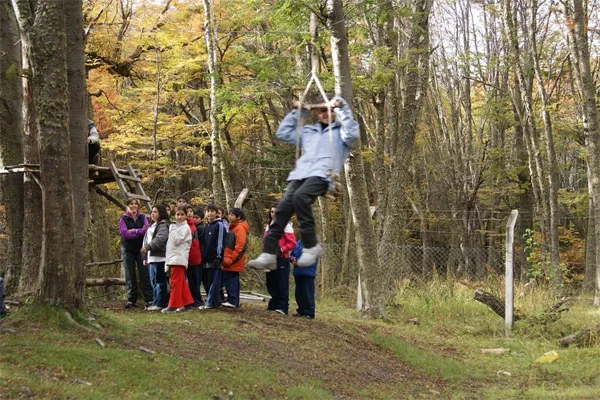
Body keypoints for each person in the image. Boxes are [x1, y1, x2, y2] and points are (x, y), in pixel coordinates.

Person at [247, 94, 359, 270]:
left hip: (323, 174)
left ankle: (310, 246)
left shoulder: (341, 132)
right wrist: (298, 113)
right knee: (283, 208)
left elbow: (353, 134)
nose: (325, 114)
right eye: (322, 110)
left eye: (329, 110)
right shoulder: (309, 131)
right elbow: (282, 133)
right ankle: (268, 253)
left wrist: (342, 107)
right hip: (300, 175)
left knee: (300, 197)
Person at [119, 198, 153, 308]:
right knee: (130, 274)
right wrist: (138, 231)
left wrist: (133, 231)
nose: (134, 206)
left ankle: (149, 298)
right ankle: (131, 299)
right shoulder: (123, 219)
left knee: (144, 273)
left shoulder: (142, 217)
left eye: (135, 204)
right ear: (127, 205)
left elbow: (146, 230)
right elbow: (125, 234)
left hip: (140, 249)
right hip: (128, 249)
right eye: (131, 204)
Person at [264, 204, 296, 315]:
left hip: (282, 258)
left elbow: (292, 243)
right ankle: (274, 303)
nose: (274, 214)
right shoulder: (269, 226)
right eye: (272, 212)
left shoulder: (286, 225)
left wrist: (281, 249)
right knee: (270, 282)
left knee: (282, 282)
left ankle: (283, 306)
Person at [162, 206, 195, 313]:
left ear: (185, 216)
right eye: (177, 214)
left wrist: (172, 228)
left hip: (179, 258)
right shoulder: (175, 226)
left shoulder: (185, 228)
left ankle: (173, 304)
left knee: (175, 282)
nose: (179, 217)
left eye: (182, 214)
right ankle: (188, 303)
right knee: (180, 282)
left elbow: (177, 240)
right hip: (173, 257)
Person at [141, 204, 170, 311]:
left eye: (155, 212)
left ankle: (161, 303)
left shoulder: (163, 225)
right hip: (151, 257)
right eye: (152, 212)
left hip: (160, 257)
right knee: (154, 281)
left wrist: (148, 247)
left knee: (160, 281)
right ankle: (156, 301)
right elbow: (145, 241)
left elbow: (160, 239)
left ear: (161, 213)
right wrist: (145, 257)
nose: (152, 214)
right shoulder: (152, 225)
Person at [199, 203, 226, 309]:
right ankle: (214, 301)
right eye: (208, 211)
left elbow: (220, 242)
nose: (210, 213)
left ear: (216, 213)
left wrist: (218, 256)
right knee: (207, 281)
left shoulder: (219, 225)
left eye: (212, 211)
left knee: (214, 282)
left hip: (215, 258)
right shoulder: (207, 226)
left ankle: (211, 303)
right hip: (205, 258)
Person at [221, 208, 249, 308]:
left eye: (232, 215)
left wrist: (232, 259)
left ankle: (233, 300)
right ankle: (231, 299)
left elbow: (240, 246)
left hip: (233, 260)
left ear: (238, 217)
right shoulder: (232, 227)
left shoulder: (239, 228)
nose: (229, 216)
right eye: (229, 214)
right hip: (228, 259)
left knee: (231, 280)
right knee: (229, 279)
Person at [290, 240, 317, 319]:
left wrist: (298, 261)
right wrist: (292, 259)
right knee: (299, 294)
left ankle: (310, 312)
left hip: (308, 272)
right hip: (298, 272)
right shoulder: (298, 243)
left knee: (308, 294)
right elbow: (291, 254)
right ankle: (301, 310)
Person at [184, 204, 203, 307]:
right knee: (189, 280)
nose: (190, 213)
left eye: (191, 211)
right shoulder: (184, 226)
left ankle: (197, 299)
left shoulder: (193, 226)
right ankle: (190, 300)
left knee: (196, 280)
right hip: (187, 257)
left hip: (196, 257)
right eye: (187, 212)